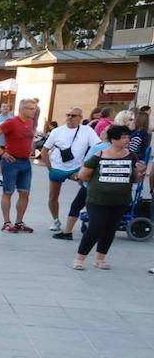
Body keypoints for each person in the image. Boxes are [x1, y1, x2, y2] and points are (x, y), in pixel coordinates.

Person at [72, 125, 143, 271]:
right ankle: (79, 259)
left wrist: (140, 173)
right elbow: (83, 175)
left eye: (127, 137)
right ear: (112, 139)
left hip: (120, 200)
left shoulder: (132, 156)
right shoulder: (99, 155)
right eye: (123, 137)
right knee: (96, 226)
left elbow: (135, 179)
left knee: (110, 228)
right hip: (97, 199)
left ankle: (100, 259)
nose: (127, 140)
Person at [42, 107, 102, 235]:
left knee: (87, 188)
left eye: (73, 115)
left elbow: (98, 147)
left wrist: (88, 165)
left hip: (76, 168)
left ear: (80, 118)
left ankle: (84, 213)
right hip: (57, 167)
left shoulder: (87, 131)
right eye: (68, 114)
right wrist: (50, 168)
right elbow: (44, 150)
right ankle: (56, 220)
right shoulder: (57, 131)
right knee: (53, 196)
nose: (70, 117)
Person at [0, 99, 38, 233]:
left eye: (35, 108)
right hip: (11, 162)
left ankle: (19, 222)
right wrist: (1, 152)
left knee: (25, 193)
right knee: (8, 192)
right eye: (31, 108)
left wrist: (30, 150)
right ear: (22, 109)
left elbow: (30, 138)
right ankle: (7, 222)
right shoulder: (11, 122)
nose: (34, 111)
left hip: (26, 162)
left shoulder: (30, 122)